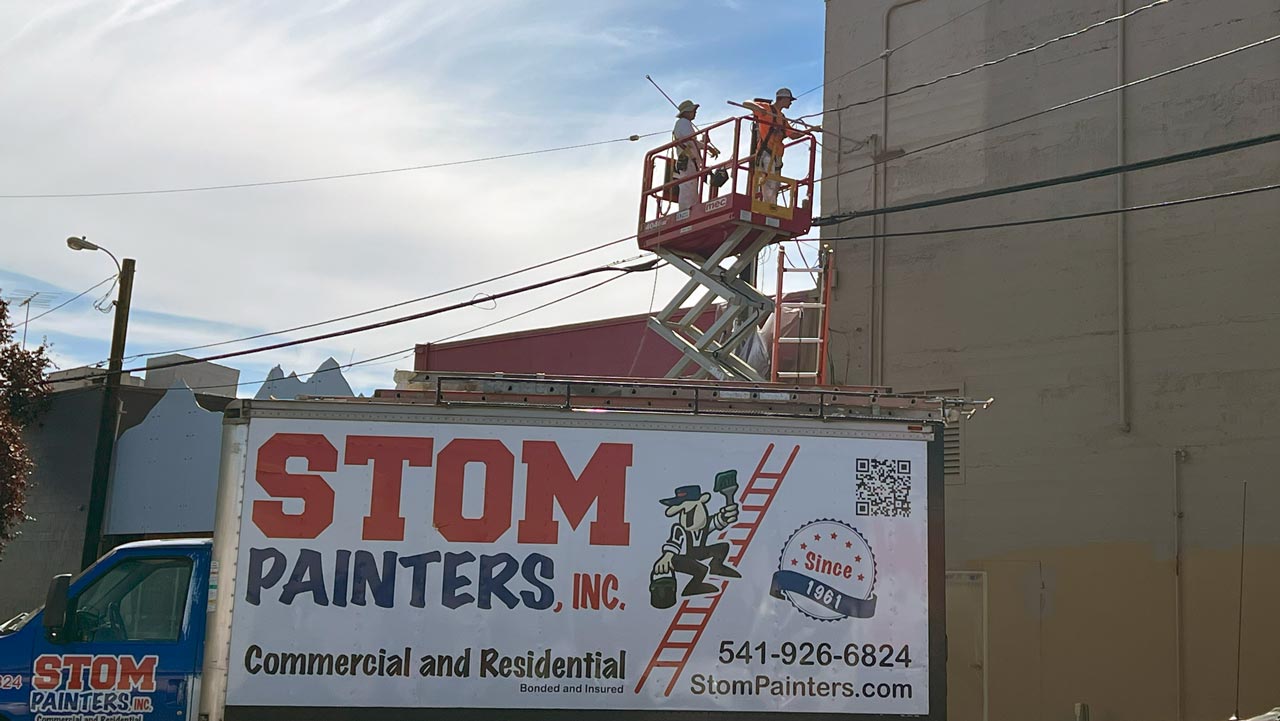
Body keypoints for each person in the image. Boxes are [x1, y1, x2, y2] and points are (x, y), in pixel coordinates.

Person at [650, 484, 740, 600]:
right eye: (684, 513)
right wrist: (666, 557)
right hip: (679, 559)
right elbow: (673, 544)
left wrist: (727, 514)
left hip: (699, 552)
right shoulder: (679, 529)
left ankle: (716, 567)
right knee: (702, 570)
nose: (688, 518)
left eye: (692, 512)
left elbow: (720, 520)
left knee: (723, 547)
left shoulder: (706, 524)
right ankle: (692, 588)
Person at [744, 88, 819, 204]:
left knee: (775, 184)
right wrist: (759, 109)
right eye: (789, 100)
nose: (790, 103)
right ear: (783, 99)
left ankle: (770, 206)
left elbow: (793, 135)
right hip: (766, 153)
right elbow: (746, 103)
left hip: (777, 156)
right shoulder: (767, 109)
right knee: (770, 182)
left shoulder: (782, 119)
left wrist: (810, 130)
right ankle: (769, 208)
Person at [671, 100, 719, 211]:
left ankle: (689, 208)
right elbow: (691, 141)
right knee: (688, 185)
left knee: (690, 185)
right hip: (688, 160)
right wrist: (706, 145)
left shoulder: (683, 123)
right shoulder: (683, 122)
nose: (695, 113)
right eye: (693, 111)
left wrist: (706, 145)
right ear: (687, 112)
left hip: (690, 160)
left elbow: (691, 142)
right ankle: (686, 210)